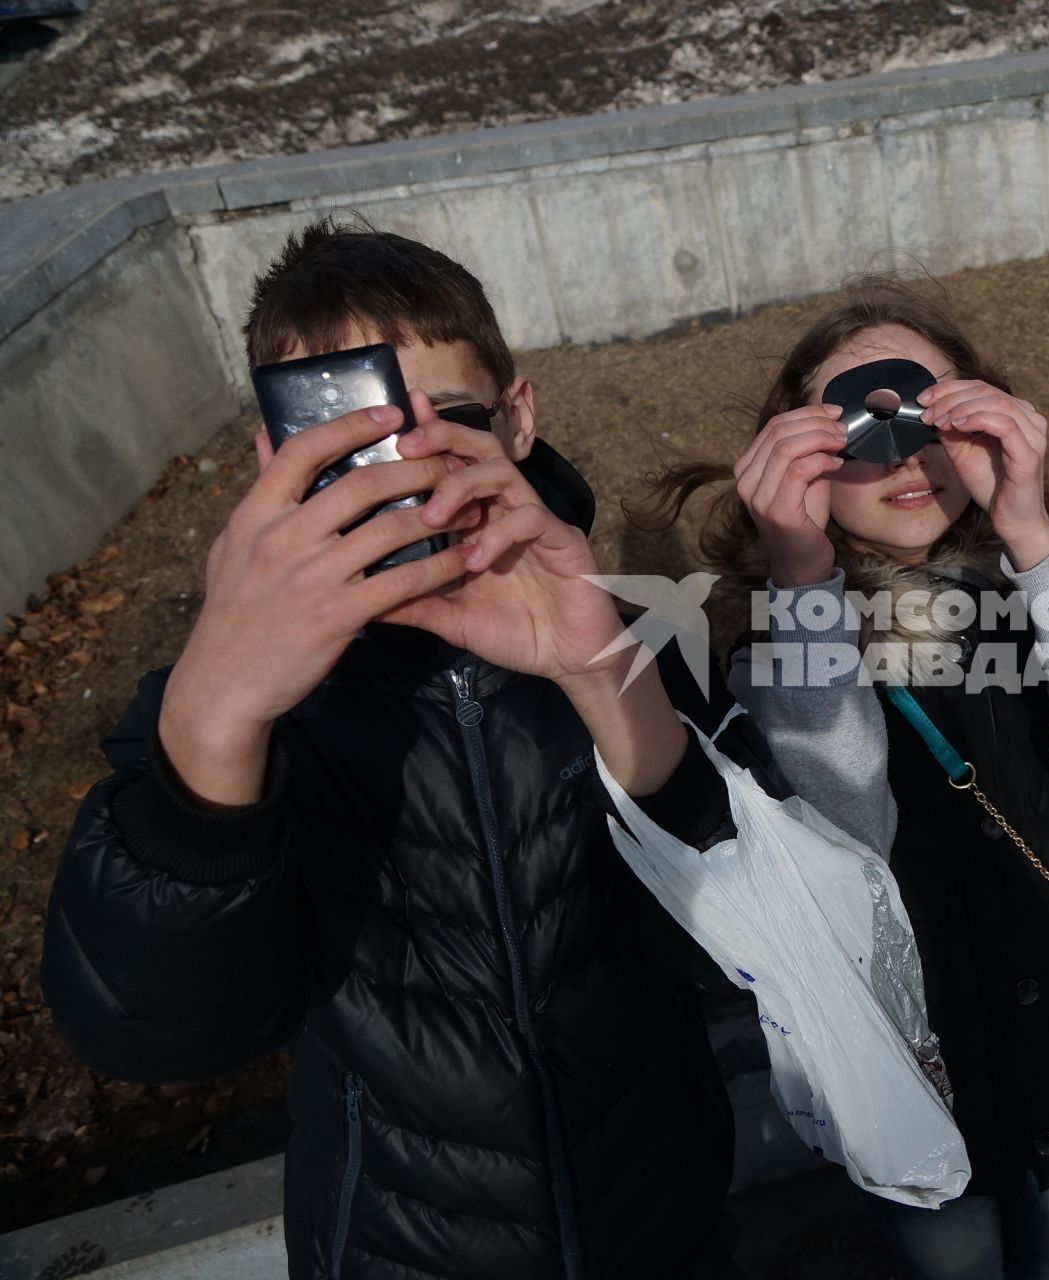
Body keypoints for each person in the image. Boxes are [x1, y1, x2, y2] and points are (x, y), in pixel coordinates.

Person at [41, 219, 759, 1279]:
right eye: (346, 456)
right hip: (398, 1244)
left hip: (657, 1213)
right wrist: (210, 726)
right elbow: (160, 1037)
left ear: (518, 419)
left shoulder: (634, 635)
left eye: (442, 433)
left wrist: (601, 675)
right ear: (273, 460)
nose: (402, 490)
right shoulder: (248, 711)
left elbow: (742, 942)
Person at [643, 275, 1049, 1280]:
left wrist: (1030, 532)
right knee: (951, 1262)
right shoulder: (767, 645)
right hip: (906, 1081)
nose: (900, 447)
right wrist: (802, 573)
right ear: (789, 454)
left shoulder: (1046, 599)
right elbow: (845, 826)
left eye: (928, 411)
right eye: (850, 422)